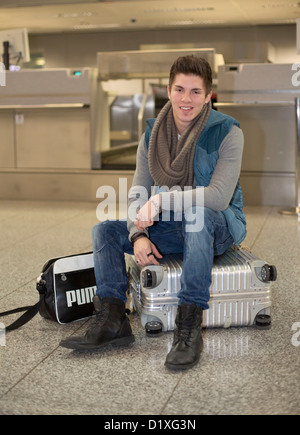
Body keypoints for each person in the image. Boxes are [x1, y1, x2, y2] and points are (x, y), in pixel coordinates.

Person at [60, 55, 247, 370]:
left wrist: (161, 202)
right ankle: (113, 318)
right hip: (172, 228)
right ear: (169, 90)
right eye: (179, 89)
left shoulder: (228, 132)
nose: (186, 99)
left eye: (195, 92)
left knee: (197, 217)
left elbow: (216, 197)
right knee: (104, 230)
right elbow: (137, 194)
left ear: (208, 95)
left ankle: (189, 326)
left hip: (216, 227)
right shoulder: (151, 136)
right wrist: (138, 234)